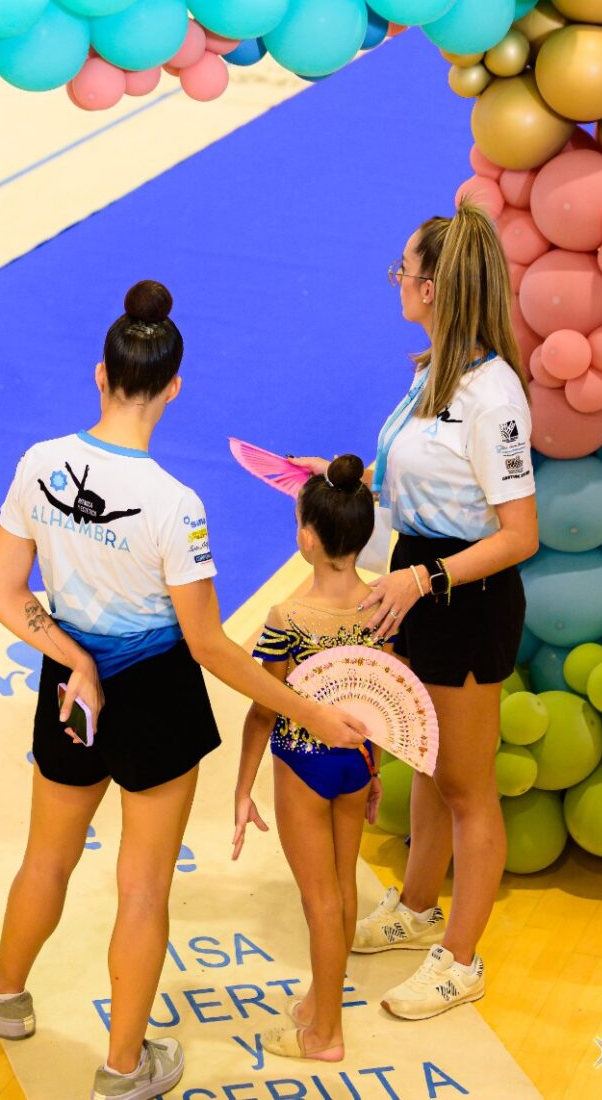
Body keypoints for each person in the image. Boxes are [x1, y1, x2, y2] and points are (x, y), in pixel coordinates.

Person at [0, 280, 367, 1100]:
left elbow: (2, 591)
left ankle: (1, 995)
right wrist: (310, 711)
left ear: (101, 375)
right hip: (159, 696)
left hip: (72, 688)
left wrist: (76, 658)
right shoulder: (178, 506)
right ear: (174, 388)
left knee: (46, 858)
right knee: (142, 889)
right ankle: (123, 1069)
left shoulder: (38, 463)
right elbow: (207, 645)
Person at [294, 200, 538, 1020]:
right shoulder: (432, 371)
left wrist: (425, 580)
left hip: (464, 600)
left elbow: (519, 535)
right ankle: (419, 907)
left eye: (403, 269)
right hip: (418, 583)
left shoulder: (494, 396)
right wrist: (351, 482)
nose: (396, 280)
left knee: (467, 788)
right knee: (429, 763)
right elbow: (429, 482)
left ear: (433, 288)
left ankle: (460, 961)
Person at [232, 454, 385, 1063]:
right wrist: (374, 769)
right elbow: (382, 696)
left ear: (307, 539)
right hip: (357, 761)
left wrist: (242, 788)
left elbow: (264, 709)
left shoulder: (287, 619)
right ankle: (324, 998)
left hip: (303, 762)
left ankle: (325, 1034)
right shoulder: (382, 608)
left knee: (319, 900)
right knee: (343, 888)